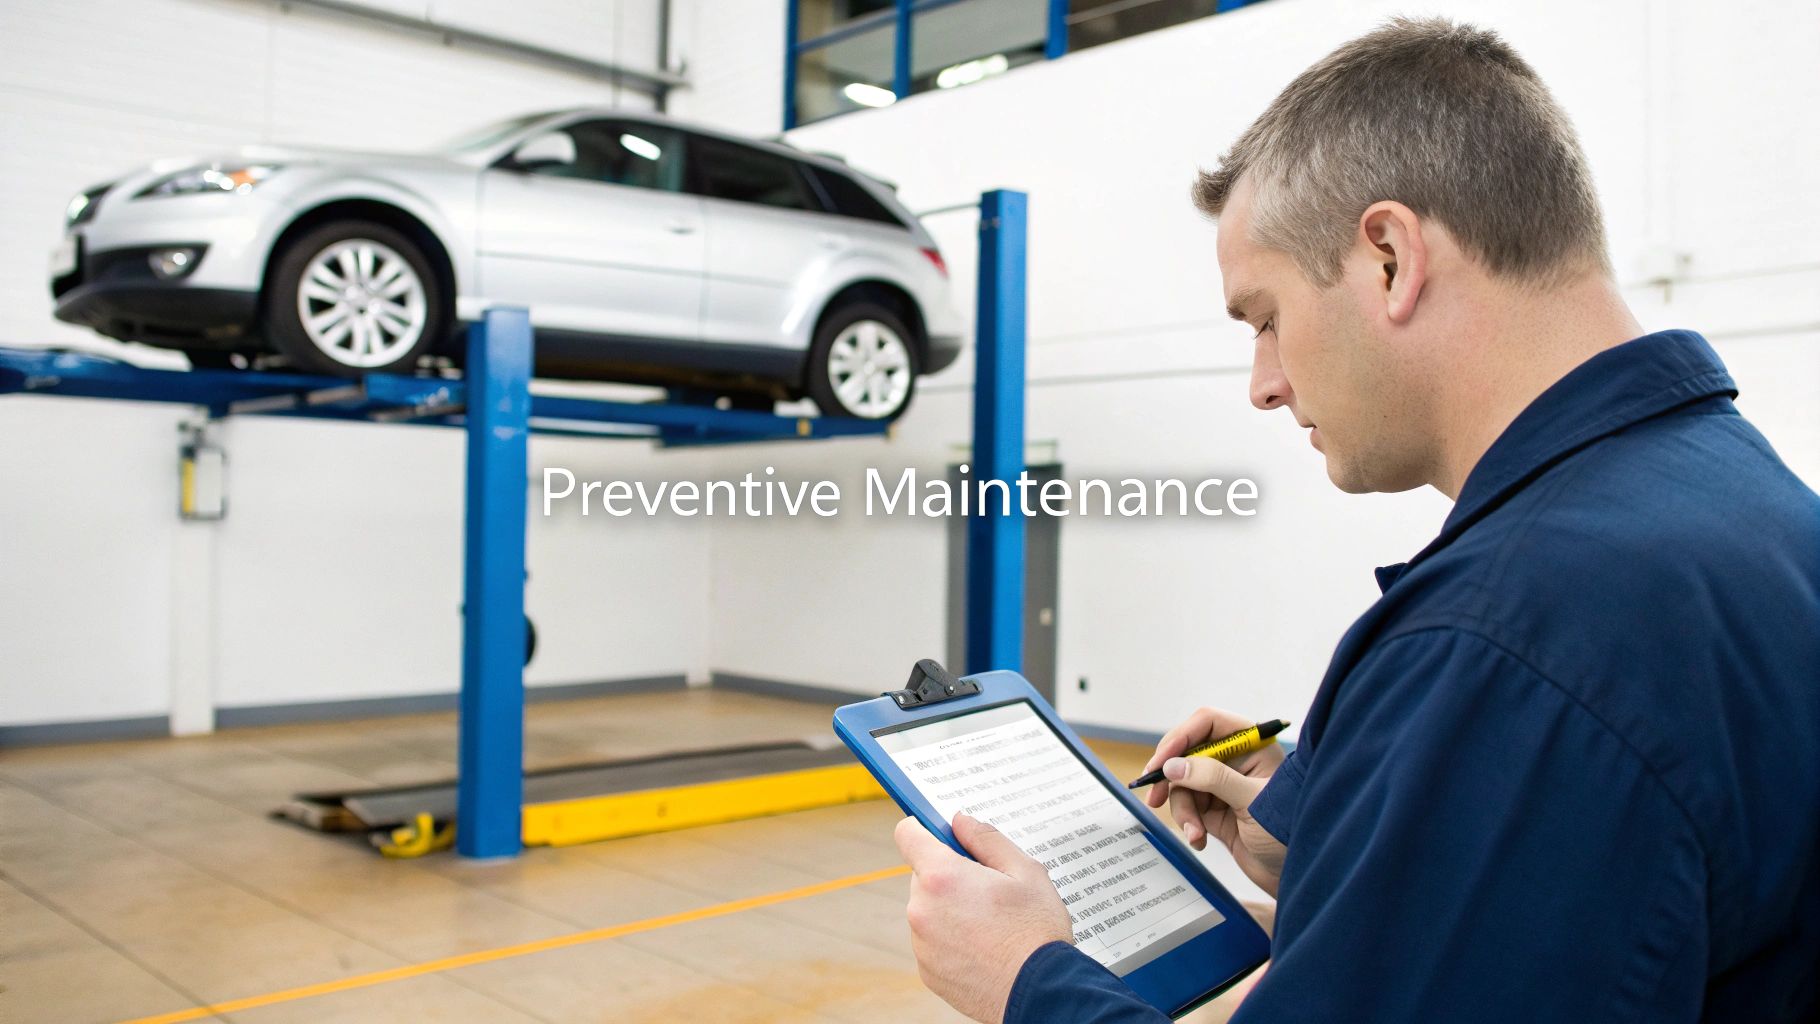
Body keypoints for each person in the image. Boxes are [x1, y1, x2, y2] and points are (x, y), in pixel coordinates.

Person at [891, 16, 1820, 1023]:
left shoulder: (1513, 638)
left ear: (1387, 257)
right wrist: (1357, 828)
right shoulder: (1747, 506)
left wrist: (1026, 980)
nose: (1262, 383)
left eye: (1262, 318)